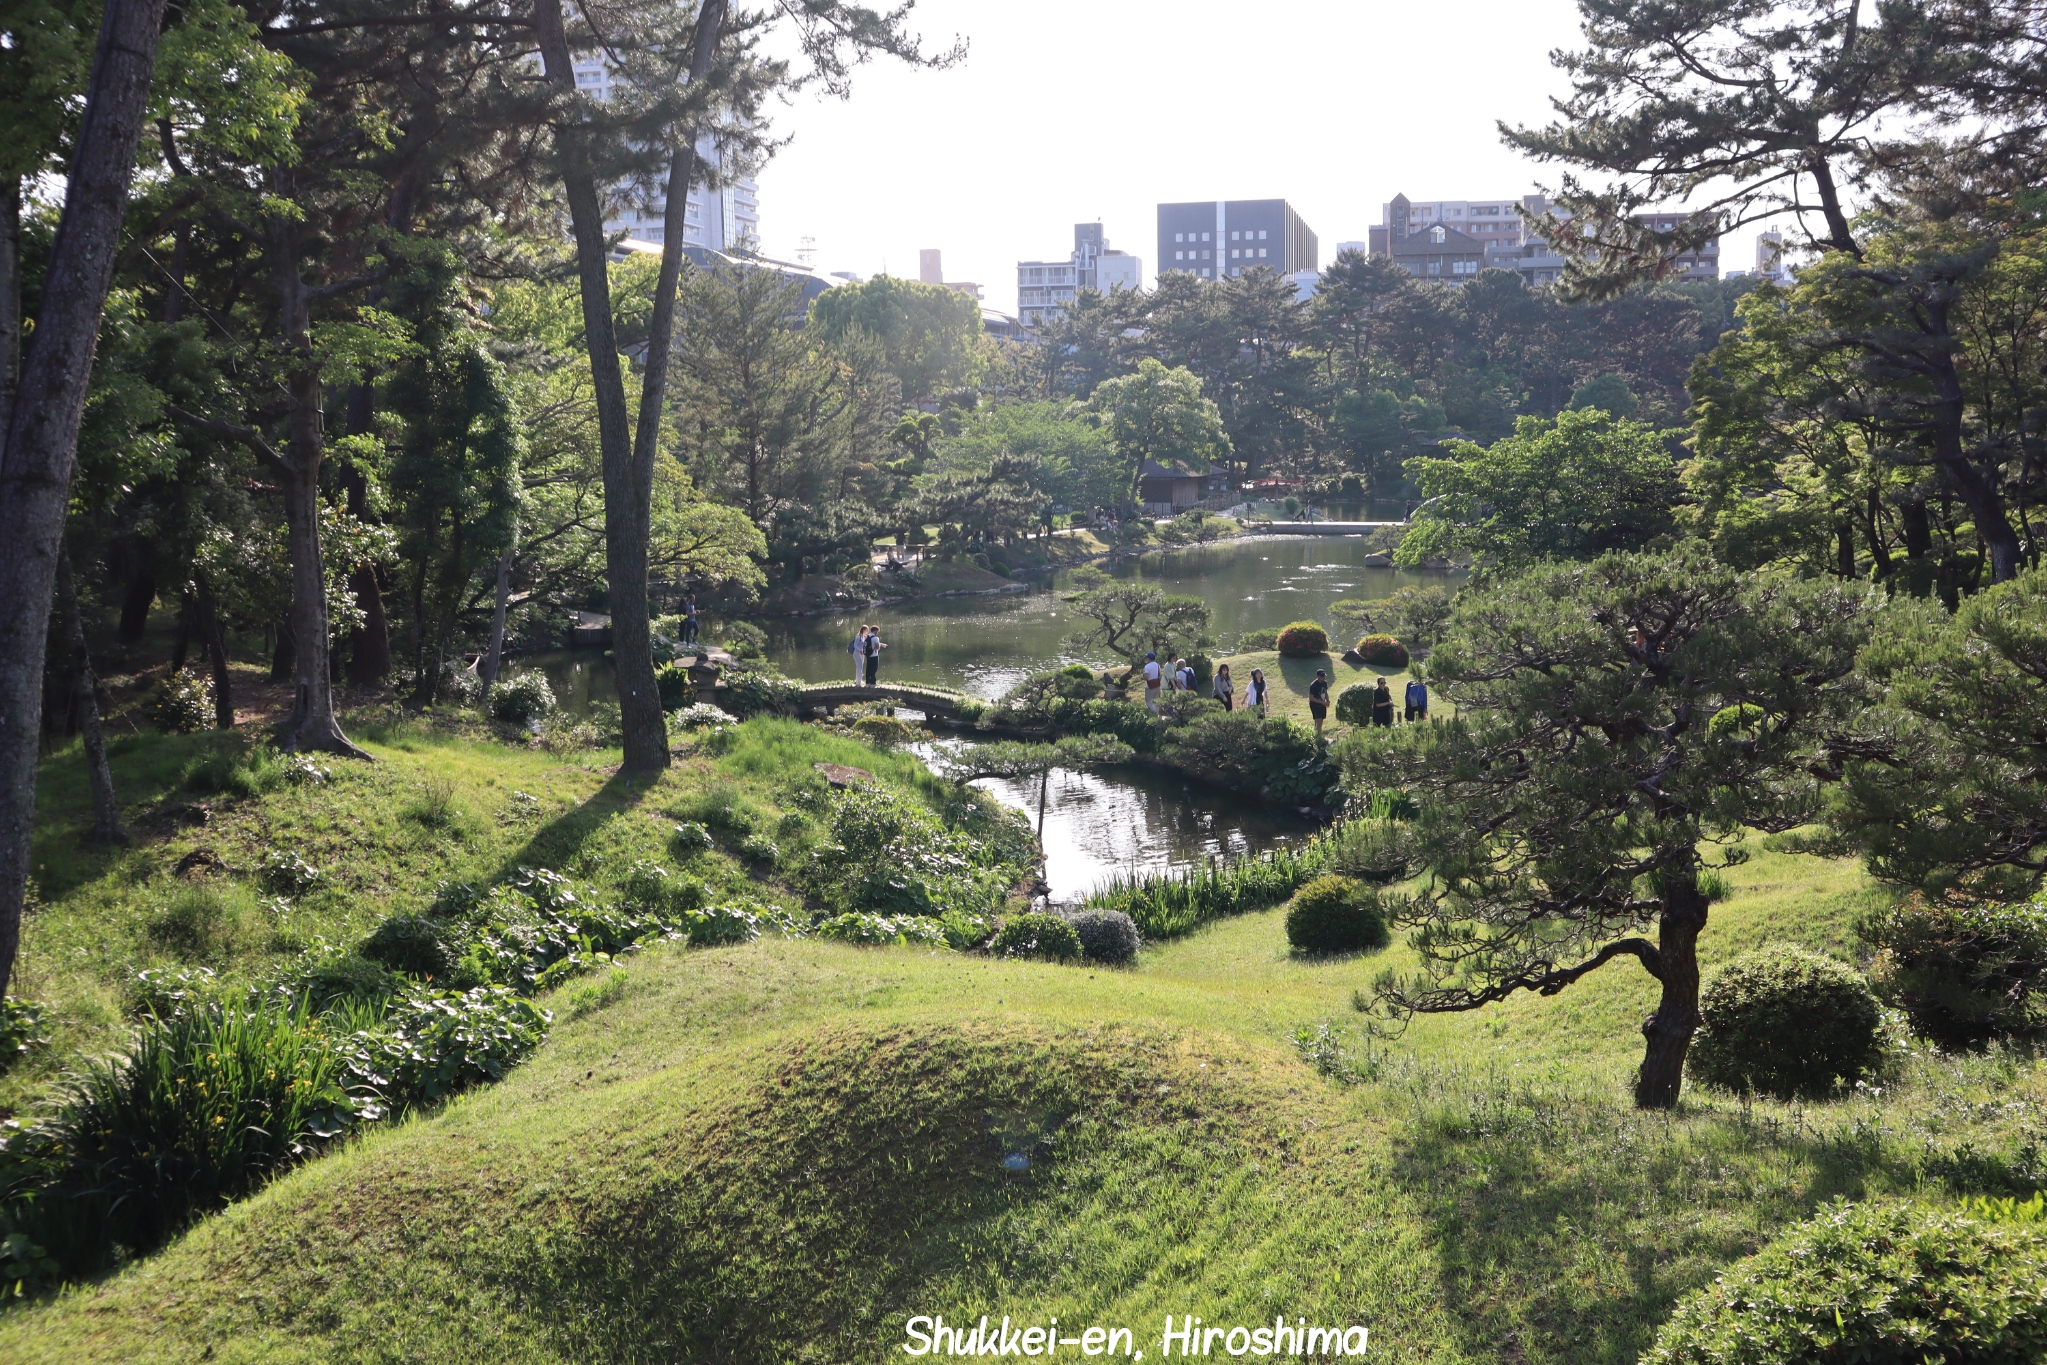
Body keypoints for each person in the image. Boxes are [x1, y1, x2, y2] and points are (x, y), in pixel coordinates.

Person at [1308, 669, 1331, 736]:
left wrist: (1328, 701)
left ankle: (1316, 734)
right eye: (1322, 676)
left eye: (1324, 676)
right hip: (1315, 705)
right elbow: (1311, 698)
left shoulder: (1325, 683)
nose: (1323, 677)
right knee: (1319, 720)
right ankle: (1319, 736)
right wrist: (1322, 702)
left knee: (1321, 720)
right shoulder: (1314, 685)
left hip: (1322, 704)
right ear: (1318, 676)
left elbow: (1325, 692)